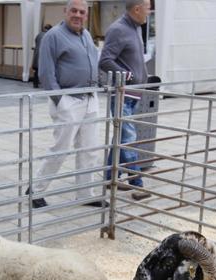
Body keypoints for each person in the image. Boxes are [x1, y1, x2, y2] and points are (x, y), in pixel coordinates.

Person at [33, 0, 104, 208]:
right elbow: (46, 72)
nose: (78, 15)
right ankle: (36, 190)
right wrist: (60, 100)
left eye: (82, 12)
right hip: (68, 100)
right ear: (65, 11)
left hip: (90, 98)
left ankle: (85, 194)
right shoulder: (53, 36)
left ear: (86, 15)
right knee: (60, 149)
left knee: (89, 149)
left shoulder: (87, 34)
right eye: (73, 10)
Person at [98, 0, 152, 201]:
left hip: (132, 94)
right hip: (122, 94)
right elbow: (104, 60)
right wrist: (127, 76)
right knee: (128, 138)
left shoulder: (135, 28)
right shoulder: (119, 29)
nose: (150, 10)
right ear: (137, 9)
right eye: (147, 6)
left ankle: (110, 178)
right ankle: (136, 184)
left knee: (121, 138)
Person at [31, 23, 51, 88]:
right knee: (45, 70)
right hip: (44, 55)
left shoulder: (39, 35)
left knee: (37, 70)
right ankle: (45, 83)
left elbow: (36, 42)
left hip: (37, 54)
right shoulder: (49, 35)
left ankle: (35, 84)